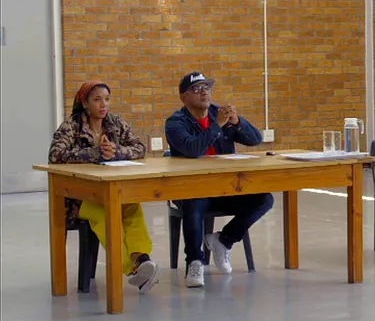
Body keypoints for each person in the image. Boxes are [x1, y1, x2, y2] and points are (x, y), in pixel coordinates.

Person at [164, 71, 274, 288]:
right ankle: (194, 261)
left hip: (225, 188)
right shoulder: (175, 123)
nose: (204, 92)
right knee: (194, 201)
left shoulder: (219, 113)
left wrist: (238, 122)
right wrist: (217, 125)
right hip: (192, 189)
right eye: (196, 89)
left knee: (264, 199)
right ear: (184, 97)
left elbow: (256, 140)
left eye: (206, 87)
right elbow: (193, 149)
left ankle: (223, 240)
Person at [48, 81, 159, 293]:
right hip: (78, 199)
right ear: (85, 103)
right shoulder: (71, 126)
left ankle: (141, 259)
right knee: (105, 213)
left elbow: (139, 147)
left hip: (111, 190)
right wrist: (95, 153)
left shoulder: (115, 122)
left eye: (107, 99)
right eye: (97, 100)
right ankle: (134, 269)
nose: (103, 105)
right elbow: (55, 155)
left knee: (132, 206)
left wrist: (117, 151)